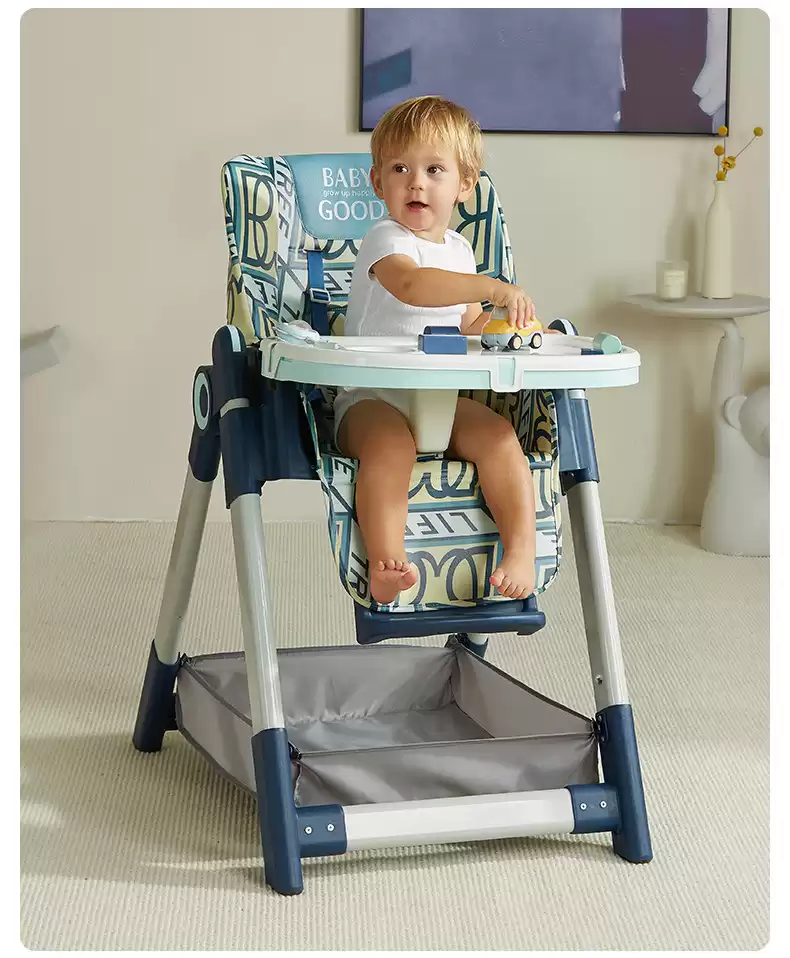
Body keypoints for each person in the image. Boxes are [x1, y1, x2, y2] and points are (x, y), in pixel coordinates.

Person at [335, 95, 538, 606]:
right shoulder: (385, 240)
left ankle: (521, 550)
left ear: (465, 184)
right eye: (399, 169)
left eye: (433, 169)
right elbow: (413, 286)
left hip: (440, 401)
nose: (416, 183)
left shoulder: (460, 251)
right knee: (390, 447)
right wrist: (490, 286)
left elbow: (469, 325)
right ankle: (386, 563)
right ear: (378, 182)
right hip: (371, 397)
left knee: (499, 436)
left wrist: (512, 327)